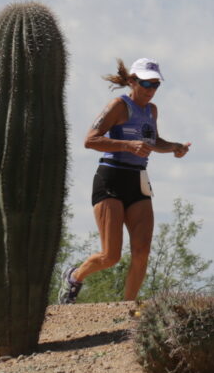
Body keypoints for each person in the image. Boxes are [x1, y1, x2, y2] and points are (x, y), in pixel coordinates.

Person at [59, 56, 190, 310]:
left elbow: (153, 142)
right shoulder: (119, 105)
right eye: (146, 84)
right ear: (132, 81)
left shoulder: (152, 111)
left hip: (138, 180)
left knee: (141, 254)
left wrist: (174, 147)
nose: (151, 90)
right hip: (111, 178)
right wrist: (128, 145)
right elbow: (90, 140)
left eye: (156, 85)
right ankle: (74, 277)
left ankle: (127, 309)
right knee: (111, 256)